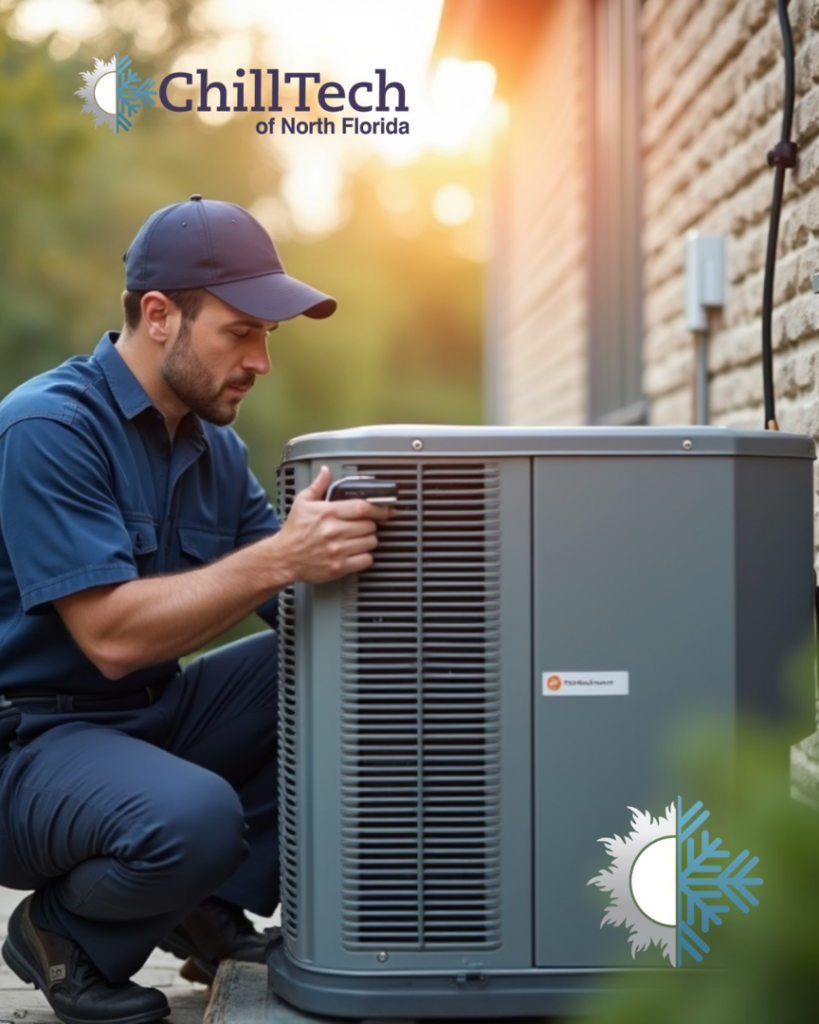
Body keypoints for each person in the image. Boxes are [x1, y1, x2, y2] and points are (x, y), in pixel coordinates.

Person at [0, 194, 394, 1024]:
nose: (260, 361)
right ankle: (62, 932)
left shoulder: (214, 447)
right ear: (158, 316)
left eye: (267, 338)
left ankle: (195, 905)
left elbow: (286, 596)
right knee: (197, 817)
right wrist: (284, 552)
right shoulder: (47, 428)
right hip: (29, 746)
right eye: (239, 332)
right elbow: (109, 638)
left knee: (338, 666)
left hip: (148, 718)